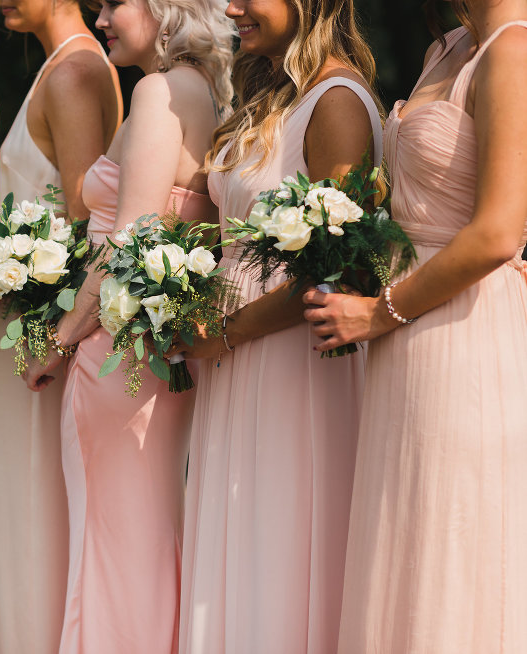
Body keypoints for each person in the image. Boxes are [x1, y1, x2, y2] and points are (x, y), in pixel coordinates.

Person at [301, 1, 527, 651]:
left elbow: (495, 233)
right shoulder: (449, 47)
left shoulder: (512, 50)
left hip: (463, 335)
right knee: (401, 545)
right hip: (406, 345)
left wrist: (379, 311)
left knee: (454, 552)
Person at [21, 0, 233, 649]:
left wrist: (54, 344)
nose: (102, 15)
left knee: (109, 542)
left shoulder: (158, 92)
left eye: (117, 3)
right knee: (143, 536)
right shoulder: (208, 95)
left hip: (116, 356)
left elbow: (124, 245)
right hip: (153, 355)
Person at [174, 0, 385, 652]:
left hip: (290, 363)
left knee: (282, 537)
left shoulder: (338, 104)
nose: (232, 8)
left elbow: (337, 271)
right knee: (239, 538)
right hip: (235, 355)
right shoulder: (273, 96)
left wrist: (226, 331)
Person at [0, 0, 121, 651]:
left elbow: (83, 222)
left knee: (31, 512)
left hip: (41, 337)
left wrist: (51, 334)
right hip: (29, 323)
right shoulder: (63, 68)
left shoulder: (73, 75)